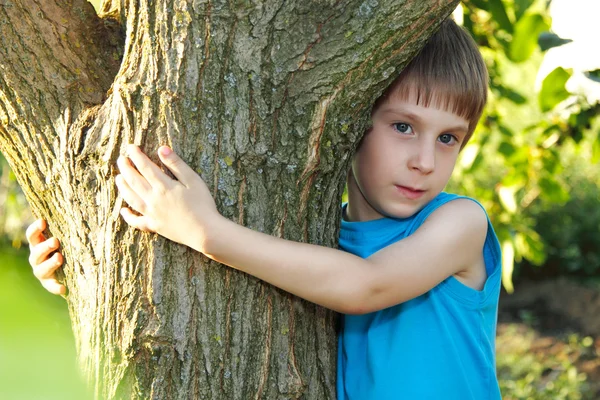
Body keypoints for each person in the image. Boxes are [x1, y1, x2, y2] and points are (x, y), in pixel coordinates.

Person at [26, 18, 501, 399]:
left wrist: (207, 232)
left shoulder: (460, 223)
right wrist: (83, 276)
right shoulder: (320, 236)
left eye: (447, 138)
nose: (424, 161)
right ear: (352, 120)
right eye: (403, 127)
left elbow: (365, 285)